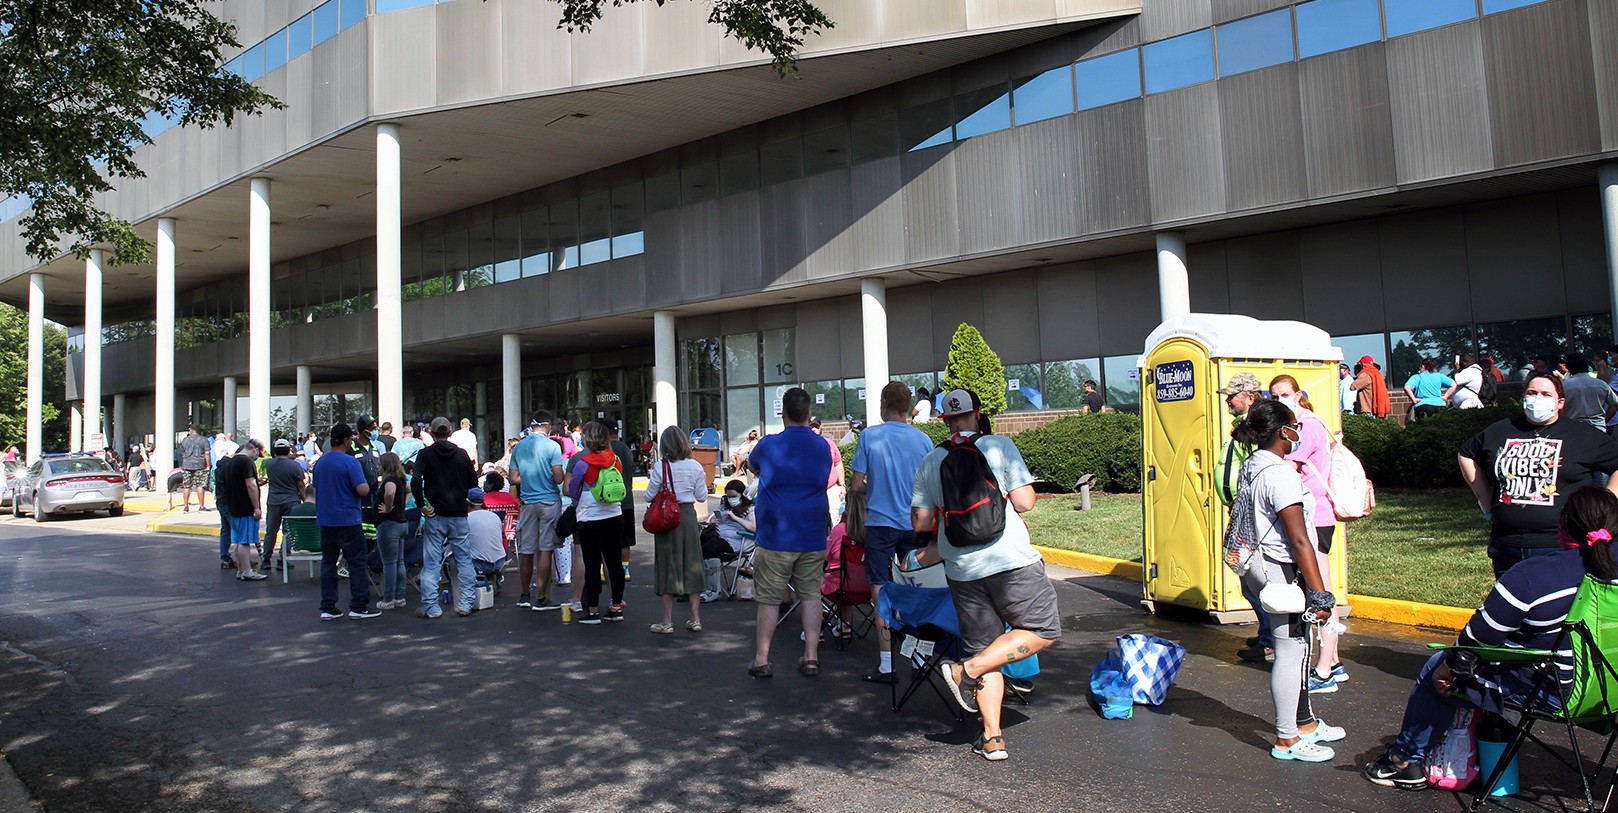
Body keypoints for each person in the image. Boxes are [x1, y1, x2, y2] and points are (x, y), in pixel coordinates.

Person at [1364, 485, 1618, 789]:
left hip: (1561, 693)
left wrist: (1450, 666)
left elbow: (1477, 638)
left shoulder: (1532, 575)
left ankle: (1403, 762)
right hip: (1611, 691)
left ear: (1563, 525)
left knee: (1440, 665)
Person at [915, 389, 1061, 762]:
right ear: (977, 413)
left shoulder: (931, 461)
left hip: (963, 570)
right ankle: (967, 671)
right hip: (1010, 561)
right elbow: (1026, 501)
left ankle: (993, 737)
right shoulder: (999, 446)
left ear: (946, 420)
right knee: (1043, 629)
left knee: (985, 646)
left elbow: (921, 521)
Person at [1226, 399, 1343, 762]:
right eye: (1296, 427)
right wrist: (1321, 594)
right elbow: (1299, 540)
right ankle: (1288, 739)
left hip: (1260, 567)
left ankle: (1304, 722)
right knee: (1290, 652)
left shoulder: (1254, 464)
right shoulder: (1280, 475)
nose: (1299, 433)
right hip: (1281, 571)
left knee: (1298, 648)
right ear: (1283, 432)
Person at [1459, 373, 1618, 577]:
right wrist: (1485, 499)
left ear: (1560, 402)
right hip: (1507, 546)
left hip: (1560, 548)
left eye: (1545, 394)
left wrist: (1605, 504)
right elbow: (1466, 453)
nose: (1537, 398)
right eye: (1532, 392)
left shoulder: (1582, 435)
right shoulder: (1501, 430)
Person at [850, 381, 934, 683]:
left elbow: (857, 484)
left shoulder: (870, 436)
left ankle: (886, 664)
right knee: (915, 584)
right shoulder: (923, 440)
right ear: (908, 405)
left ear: (884, 403)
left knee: (880, 587)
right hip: (914, 522)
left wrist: (877, 486)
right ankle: (920, 656)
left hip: (881, 522)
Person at [745, 388, 833, 679]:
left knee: (769, 599)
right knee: (811, 594)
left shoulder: (769, 445)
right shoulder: (822, 446)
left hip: (775, 535)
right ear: (809, 414)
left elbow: (752, 464)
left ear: (782, 412)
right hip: (811, 531)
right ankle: (811, 657)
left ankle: (761, 659)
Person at [1269, 375, 1347, 693]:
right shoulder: (1295, 424)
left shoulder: (1308, 426)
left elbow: (1287, 464)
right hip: (1308, 515)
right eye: (1274, 395)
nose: (1280, 398)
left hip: (1318, 517)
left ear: (1298, 394)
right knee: (1317, 586)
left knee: (1321, 590)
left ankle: (1324, 670)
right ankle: (1334, 660)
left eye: (1285, 393)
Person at [1212, 373, 1273, 663]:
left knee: (1253, 575)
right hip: (1240, 511)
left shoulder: (1257, 427)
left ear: (1250, 396)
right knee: (1246, 574)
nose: (1227, 400)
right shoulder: (1243, 425)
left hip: (1251, 514)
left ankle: (1271, 639)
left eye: (1232, 395)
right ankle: (1267, 633)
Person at [412, 416, 480, 619]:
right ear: (450, 432)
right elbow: (473, 481)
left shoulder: (425, 454)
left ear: (432, 433)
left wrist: (421, 504)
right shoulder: (461, 454)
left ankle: (431, 606)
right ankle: (466, 603)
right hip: (458, 513)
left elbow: (415, 480)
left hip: (435, 514)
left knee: (432, 562)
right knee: (464, 560)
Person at [310, 424, 378, 620]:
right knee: (357, 562)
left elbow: (316, 489)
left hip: (326, 519)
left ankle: (328, 606)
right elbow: (363, 489)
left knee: (329, 563)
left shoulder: (321, 463)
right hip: (348, 519)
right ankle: (358, 605)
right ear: (347, 440)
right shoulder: (350, 462)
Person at [645, 426, 707, 634]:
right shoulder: (696, 466)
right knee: (692, 562)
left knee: (667, 565)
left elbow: (648, 496)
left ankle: (667, 621)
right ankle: (695, 618)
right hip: (688, 516)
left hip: (667, 518)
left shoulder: (660, 468)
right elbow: (702, 496)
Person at [565, 421, 628, 624]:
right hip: (614, 515)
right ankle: (616, 606)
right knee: (614, 563)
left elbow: (572, 490)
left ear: (587, 440)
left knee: (592, 565)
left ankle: (592, 610)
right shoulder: (615, 460)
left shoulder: (583, 464)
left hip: (589, 519)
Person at [510, 412, 566, 611]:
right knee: (546, 549)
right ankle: (542, 597)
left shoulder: (519, 447)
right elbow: (558, 478)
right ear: (548, 425)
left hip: (527, 502)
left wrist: (528, 478)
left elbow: (512, 478)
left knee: (526, 550)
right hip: (549, 501)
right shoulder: (552, 446)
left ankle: (525, 595)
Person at [220, 440, 268, 581]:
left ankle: (241, 569)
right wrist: (257, 507)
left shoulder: (231, 462)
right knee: (245, 541)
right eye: (257, 454)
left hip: (233, 506)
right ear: (254, 450)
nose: (257, 457)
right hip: (245, 507)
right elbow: (251, 485)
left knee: (237, 540)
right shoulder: (246, 463)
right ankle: (247, 571)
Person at [702, 478, 756, 601]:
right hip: (718, 535)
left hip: (737, 540)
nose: (731, 499)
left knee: (709, 548)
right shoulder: (724, 505)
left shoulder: (750, 508)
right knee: (697, 544)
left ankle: (714, 589)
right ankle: (700, 586)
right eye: (728, 496)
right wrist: (713, 521)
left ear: (742, 494)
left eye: (733, 496)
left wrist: (735, 518)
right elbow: (709, 519)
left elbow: (754, 528)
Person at [259, 438, 307, 575]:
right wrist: (305, 501)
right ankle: (283, 559)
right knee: (288, 532)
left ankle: (266, 559)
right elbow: (300, 486)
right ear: (288, 450)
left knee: (271, 531)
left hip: (274, 501)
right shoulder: (295, 466)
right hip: (292, 501)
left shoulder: (269, 464)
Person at [373, 452, 411, 610]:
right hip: (401, 523)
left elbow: (389, 492)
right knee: (400, 561)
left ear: (386, 465)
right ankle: (400, 596)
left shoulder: (389, 480)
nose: (377, 467)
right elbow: (409, 491)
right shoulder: (402, 480)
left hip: (389, 525)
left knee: (388, 563)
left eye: (380, 464)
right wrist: (401, 504)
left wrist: (388, 508)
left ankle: (388, 598)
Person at [607, 422, 638, 584]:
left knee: (608, 539)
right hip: (627, 499)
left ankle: (604, 569)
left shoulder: (606, 451)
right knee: (625, 540)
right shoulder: (626, 449)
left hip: (610, 500)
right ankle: (625, 568)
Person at [1560, 354, 1618, 431]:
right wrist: (1604, 420)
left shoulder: (1564, 386)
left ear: (1568, 368)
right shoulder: (1601, 384)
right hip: (1598, 428)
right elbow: (1615, 404)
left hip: (1573, 428)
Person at [465, 487, 508, 587]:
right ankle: (495, 578)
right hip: (500, 562)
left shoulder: (466, 519)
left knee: (455, 554)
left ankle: (463, 588)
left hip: (480, 565)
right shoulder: (495, 516)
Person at [809, 415, 845, 527]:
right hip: (811, 492)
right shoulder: (803, 445)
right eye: (811, 427)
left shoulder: (829, 443)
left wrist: (842, 485)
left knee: (834, 520)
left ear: (821, 428)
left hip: (831, 489)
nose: (813, 429)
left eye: (816, 426)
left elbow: (838, 463)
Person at [177, 424, 212, 513]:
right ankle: (201, 506)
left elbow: (182, 452)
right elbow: (207, 453)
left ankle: (186, 506)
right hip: (200, 464)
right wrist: (208, 465)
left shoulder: (185, 440)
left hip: (187, 464)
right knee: (200, 485)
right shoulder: (204, 440)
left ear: (192, 430)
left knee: (186, 486)